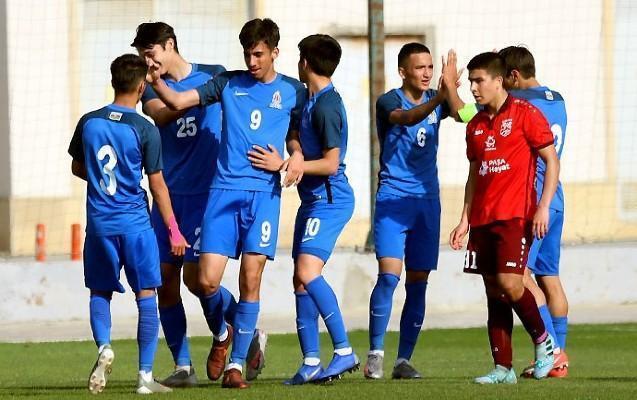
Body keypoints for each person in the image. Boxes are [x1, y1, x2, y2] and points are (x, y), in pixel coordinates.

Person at [146, 18, 305, 389]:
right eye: (247, 54)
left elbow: (297, 135)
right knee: (205, 280)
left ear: (275, 52)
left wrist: (293, 157)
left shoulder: (293, 91)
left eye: (258, 54)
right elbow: (177, 101)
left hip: (263, 195)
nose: (252, 61)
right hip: (222, 193)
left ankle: (236, 365)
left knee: (251, 278)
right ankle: (226, 335)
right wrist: (155, 81)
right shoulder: (226, 82)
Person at [131, 21, 251, 387]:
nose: (147, 62)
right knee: (164, 282)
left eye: (150, 53)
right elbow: (162, 114)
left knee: (198, 280)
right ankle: (184, 366)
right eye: (142, 56)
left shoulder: (214, 75)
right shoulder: (151, 89)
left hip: (207, 195)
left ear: (169, 45)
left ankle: (235, 331)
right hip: (169, 197)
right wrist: (166, 88)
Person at [68, 54, 187, 394]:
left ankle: (105, 347)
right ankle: (145, 378)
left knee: (99, 292)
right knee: (146, 295)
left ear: (113, 82)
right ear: (141, 87)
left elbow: (78, 167)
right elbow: (158, 186)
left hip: (99, 226)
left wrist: (102, 182)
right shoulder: (145, 129)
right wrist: (174, 230)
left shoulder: (89, 122)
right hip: (135, 225)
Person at [247, 34, 358, 384]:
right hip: (313, 200)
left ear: (305, 63)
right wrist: (294, 152)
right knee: (300, 280)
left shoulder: (327, 106)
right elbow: (295, 133)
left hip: (330, 200)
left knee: (309, 272)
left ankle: (344, 350)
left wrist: (284, 164)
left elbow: (331, 163)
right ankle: (311, 361)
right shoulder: (310, 99)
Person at [449, 52, 558, 384]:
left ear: (499, 81)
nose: (473, 87)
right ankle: (503, 367)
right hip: (483, 218)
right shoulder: (476, 124)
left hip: (515, 215)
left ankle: (545, 342)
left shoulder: (526, 113)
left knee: (511, 284)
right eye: (470, 81)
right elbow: (474, 175)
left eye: (478, 80)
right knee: (494, 291)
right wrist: (465, 219)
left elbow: (551, 161)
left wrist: (543, 206)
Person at [364, 43, 463, 380]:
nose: (426, 73)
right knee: (389, 275)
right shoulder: (388, 101)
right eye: (419, 67)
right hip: (393, 199)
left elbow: (465, 115)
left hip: (427, 202)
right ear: (402, 71)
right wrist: (440, 97)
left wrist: (458, 90)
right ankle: (375, 354)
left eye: (431, 67)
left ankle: (403, 360)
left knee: (418, 282)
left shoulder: (439, 100)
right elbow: (406, 118)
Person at [498, 46, 570, 378]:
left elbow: (470, 112)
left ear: (513, 76)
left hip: (535, 201)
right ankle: (559, 359)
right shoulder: (557, 99)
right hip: (556, 198)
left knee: (522, 277)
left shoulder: (522, 103)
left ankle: (552, 352)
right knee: (549, 277)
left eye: (502, 79)